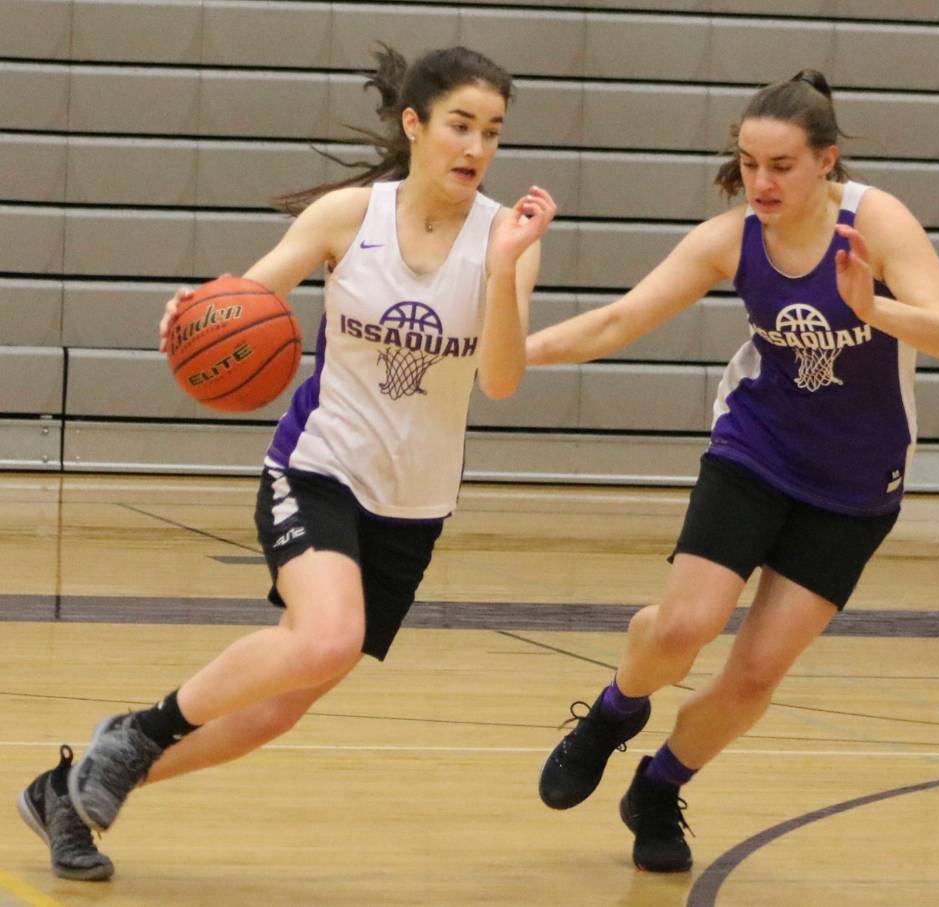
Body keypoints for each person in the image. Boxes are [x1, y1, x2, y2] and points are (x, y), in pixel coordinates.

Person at [18, 45, 556, 878]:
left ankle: (65, 790)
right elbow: (248, 297)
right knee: (326, 633)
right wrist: (196, 312)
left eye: (492, 132)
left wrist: (500, 270)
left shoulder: (508, 239)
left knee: (275, 712)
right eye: (461, 125)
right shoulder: (349, 216)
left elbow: (502, 379)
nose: (477, 148)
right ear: (415, 125)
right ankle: (140, 731)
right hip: (318, 465)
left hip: (413, 501)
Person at [531, 69, 939, 873]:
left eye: (780, 165)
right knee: (683, 626)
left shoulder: (877, 222)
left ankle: (659, 787)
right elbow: (619, 318)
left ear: (826, 162)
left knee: (755, 674)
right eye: (747, 163)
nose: (759, 182)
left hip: (855, 481)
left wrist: (873, 308)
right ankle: (609, 714)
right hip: (758, 447)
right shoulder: (731, 236)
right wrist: (504, 355)